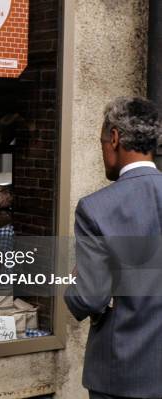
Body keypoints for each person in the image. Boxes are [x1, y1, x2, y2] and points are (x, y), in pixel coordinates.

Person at [64, 96, 162, 399]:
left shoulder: (96, 209)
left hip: (122, 374)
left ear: (115, 138)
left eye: (102, 141)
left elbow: (90, 297)